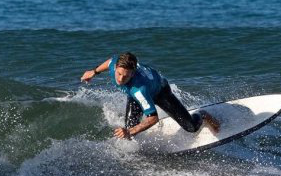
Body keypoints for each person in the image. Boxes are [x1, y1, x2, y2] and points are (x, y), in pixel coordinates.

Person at [80, 52, 219, 140]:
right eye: (119, 73)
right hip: (139, 91)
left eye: (126, 76)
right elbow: (110, 60)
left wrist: (130, 132)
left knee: (191, 128)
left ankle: (203, 115)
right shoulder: (116, 65)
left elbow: (153, 118)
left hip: (160, 92)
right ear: (116, 68)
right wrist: (94, 71)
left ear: (133, 73)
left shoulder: (139, 90)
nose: (121, 79)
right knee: (130, 127)